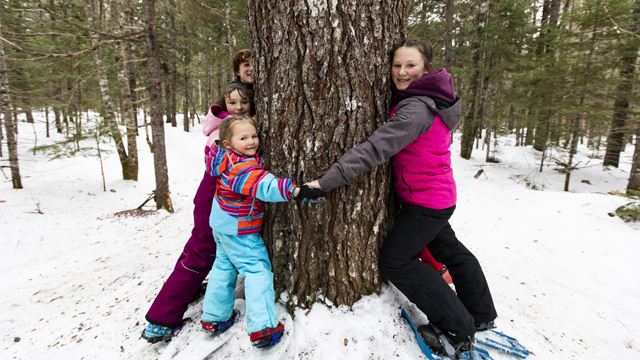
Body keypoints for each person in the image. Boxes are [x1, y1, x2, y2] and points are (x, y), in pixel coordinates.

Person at [306, 39, 497, 357]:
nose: (402, 72)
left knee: (396, 261)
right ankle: (481, 315)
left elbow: (375, 149)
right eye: (397, 65)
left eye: (411, 65)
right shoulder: (433, 99)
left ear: (426, 69)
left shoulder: (416, 108)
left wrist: (326, 182)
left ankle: (458, 329)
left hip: (426, 203)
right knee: (450, 250)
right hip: (437, 195)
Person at [141, 82, 254, 343]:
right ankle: (162, 319)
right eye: (232, 102)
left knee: (214, 254)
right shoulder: (224, 130)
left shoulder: (240, 126)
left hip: (225, 200)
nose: (238, 107)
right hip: (213, 198)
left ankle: (186, 298)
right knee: (201, 253)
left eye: (243, 102)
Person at [199, 116, 326, 348]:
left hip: (221, 224)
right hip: (239, 228)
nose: (252, 142)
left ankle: (214, 318)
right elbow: (264, 185)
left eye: (254, 136)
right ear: (227, 143)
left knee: (223, 266)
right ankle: (263, 328)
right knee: (257, 270)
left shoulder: (222, 159)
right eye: (243, 138)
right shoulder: (242, 167)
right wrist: (296, 192)